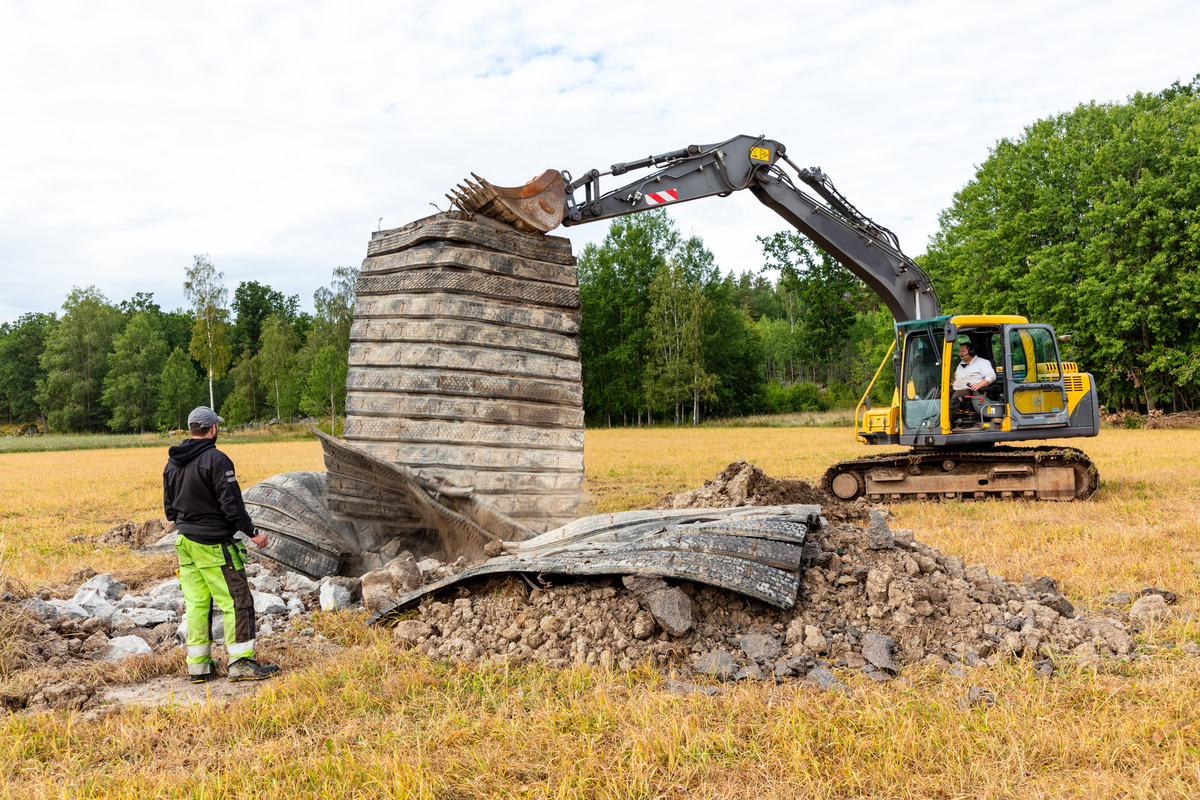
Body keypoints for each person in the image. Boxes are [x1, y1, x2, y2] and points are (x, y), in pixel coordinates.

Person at [164, 406, 280, 683]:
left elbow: (169, 508)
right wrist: (252, 532)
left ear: (191, 429)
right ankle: (241, 663)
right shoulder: (216, 459)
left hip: (184, 543)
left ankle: (198, 667)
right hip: (214, 544)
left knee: (197, 604)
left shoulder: (172, 462)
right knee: (237, 601)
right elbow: (231, 504)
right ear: (213, 428)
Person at [949, 342, 999, 424]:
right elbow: (960, 379)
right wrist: (951, 384)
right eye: (960, 351)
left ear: (971, 352)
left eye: (963, 351)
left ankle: (946, 423)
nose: (960, 353)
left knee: (956, 396)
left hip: (971, 390)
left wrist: (979, 384)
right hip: (957, 388)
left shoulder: (982, 363)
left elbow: (992, 376)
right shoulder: (960, 365)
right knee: (940, 394)